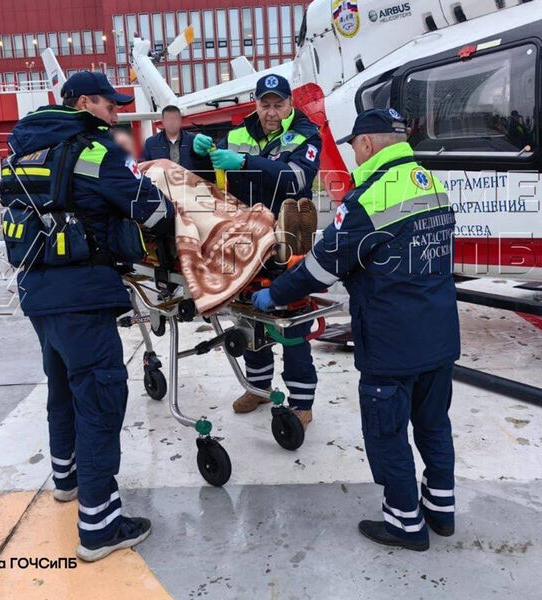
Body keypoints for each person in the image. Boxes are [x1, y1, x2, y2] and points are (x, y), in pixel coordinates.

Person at [252, 108, 460, 551]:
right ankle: (441, 511)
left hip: (391, 339)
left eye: (354, 146)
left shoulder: (371, 196)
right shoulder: (431, 182)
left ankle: (405, 524)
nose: (354, 155)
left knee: (387, 433)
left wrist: (278, 293)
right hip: (440, 332)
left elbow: (323, 266)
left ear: (366, 143)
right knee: (433, 425)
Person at [6, 71, 174, 561]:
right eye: (110, 105)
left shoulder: (24, 148)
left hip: (37, 291)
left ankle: (68, 478)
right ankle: (100, 528)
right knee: (100, 398)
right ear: (83, 103)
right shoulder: (95, 151)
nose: (116, 114)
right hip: (82, 295)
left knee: (62, 385)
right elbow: (154, 211)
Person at [191, 73, 322, 430]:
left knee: (291, 325)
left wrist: (245, 164)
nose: (271, 112)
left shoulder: (307, 135)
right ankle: (259, 387)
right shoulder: (237, 134)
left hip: (287, 243)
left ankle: (302, 402)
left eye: (279, 104)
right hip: (245, 242)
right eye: (265, 104)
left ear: (290, 104)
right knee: (247, 320)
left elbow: (296, 178)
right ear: (256, 104)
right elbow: (212, 175)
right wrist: (198, 152)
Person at [143, 104, 197, 169]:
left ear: (180, 120)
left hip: (188, 176)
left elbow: (202, 165)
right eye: (168, 119)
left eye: (174, 118)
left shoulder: (193, 140)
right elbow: (145, 167)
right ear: (163, 121)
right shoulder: (151, 143)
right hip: (162, 176)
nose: (171, 122)